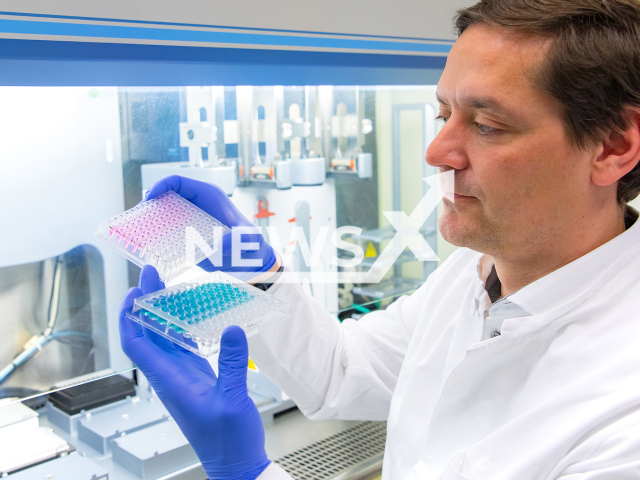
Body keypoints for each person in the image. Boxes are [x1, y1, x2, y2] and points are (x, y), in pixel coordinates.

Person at [119, 0, 640, 478]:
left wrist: (247, 471)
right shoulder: (476, 273)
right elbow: (343, 370)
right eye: (443, 114)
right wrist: (260, 279)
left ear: (612, 147)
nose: (437, 151)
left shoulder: (624, 418)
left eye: (486, 124)